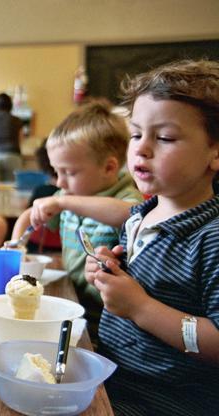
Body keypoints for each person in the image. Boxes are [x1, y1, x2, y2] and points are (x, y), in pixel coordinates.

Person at [82, 60, 219, 414]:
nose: (141, 149)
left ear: (215, 152)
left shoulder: (211, 238)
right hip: (111, 381)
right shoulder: (142, 215)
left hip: (163, 403)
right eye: (136, 134)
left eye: (165, 138)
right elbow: (139, 285)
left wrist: (141, 307)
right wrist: (108, 271)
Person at [12, 100, 143, 339]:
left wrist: (62, 202)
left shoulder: (124, 196)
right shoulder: (70, 193)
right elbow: (29, 215)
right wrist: (16, 245)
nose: (60, 183)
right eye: (56, 172)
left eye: (69, 173)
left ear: (109, 167)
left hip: (106, 318)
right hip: (71, 298)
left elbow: (131, 213)